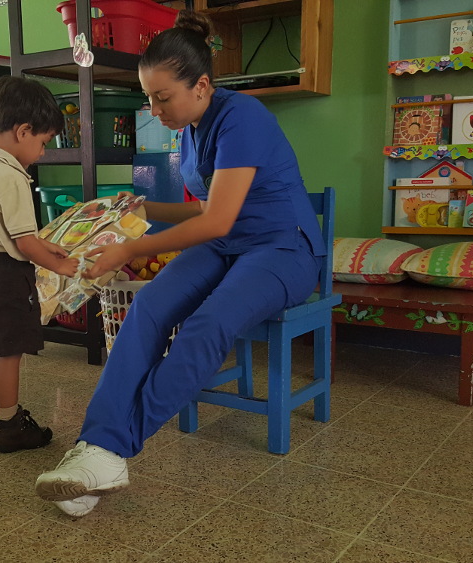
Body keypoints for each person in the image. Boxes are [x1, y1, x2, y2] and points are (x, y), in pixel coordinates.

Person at [34, 10, 328, 517]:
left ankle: (113, 449)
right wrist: (139, 210)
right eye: (148, 96)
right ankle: (95, 454)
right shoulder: (192, 128)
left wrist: (129, 248)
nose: (153, 108)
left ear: (202, 85)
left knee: (208, 321)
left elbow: (215, 220)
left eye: (162, 97)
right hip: (228, 244)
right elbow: (199, 210)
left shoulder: (244, 117)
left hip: (283, 249)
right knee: (147, 309)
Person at [0, 76, 78, 454]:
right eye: (42, 142)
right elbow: (24, 244)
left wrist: (46, 245)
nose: (42, 152)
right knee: (10, 353)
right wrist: (60, 267)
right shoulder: (12, 176)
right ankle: (10, 426)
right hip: (5, 278)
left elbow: (5, 231)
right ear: (23, 130)